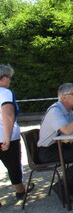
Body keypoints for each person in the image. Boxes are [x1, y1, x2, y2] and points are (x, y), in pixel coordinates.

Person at [0, 65, 35, 202]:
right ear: (3, 79)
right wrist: (8, 137)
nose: (10, 81)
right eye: (9, 78)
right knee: (13, 164)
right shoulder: (4, 93)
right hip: (5, 136)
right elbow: (8, 115)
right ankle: (20, 191)